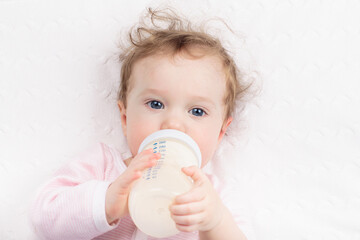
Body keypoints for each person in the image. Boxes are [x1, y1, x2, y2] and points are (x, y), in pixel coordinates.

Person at [30, 8, 253, 240]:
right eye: (156, 104)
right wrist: (105, 202)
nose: (173, 124)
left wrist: (214, 222)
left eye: (197, 111)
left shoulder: (214, 197)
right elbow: (43, 219)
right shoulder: (103, 167)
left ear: (220, 133)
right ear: (125, 118)